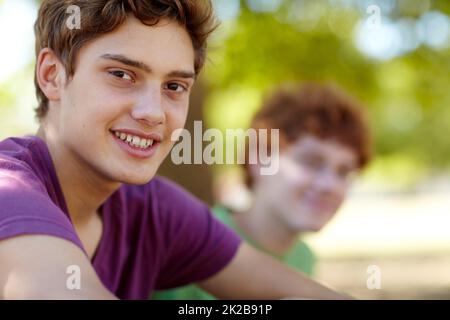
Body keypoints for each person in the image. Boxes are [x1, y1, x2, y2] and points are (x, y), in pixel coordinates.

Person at [0, 1, 345, 299]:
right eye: (121, 74)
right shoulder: (9, 191)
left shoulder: (154, 210)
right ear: (51, 75)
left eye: (174, 86)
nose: (153, 112)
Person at [153, 83, 372, 299]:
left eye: (343, 172)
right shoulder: (188, 244)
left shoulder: (303, 257)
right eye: (311, 162)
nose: (329, 185)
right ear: (260, 157)